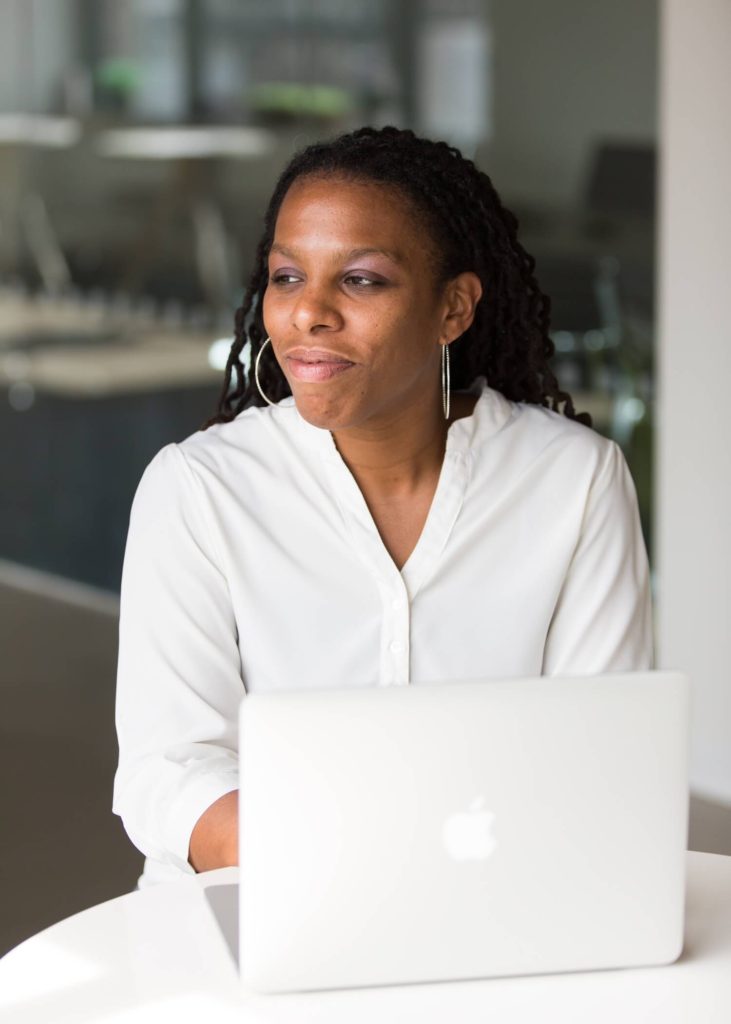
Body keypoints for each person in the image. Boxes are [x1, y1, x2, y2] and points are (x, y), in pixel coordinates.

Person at [113, 126, 653, 887]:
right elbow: (167, 769)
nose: (308, 314)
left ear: (453, 308)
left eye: (361, 280)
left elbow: (601, 752)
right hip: (259, 912)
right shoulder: (199, 489)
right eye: (287, 276)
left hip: (502, 908)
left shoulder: (571, 481)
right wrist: (337, 869)